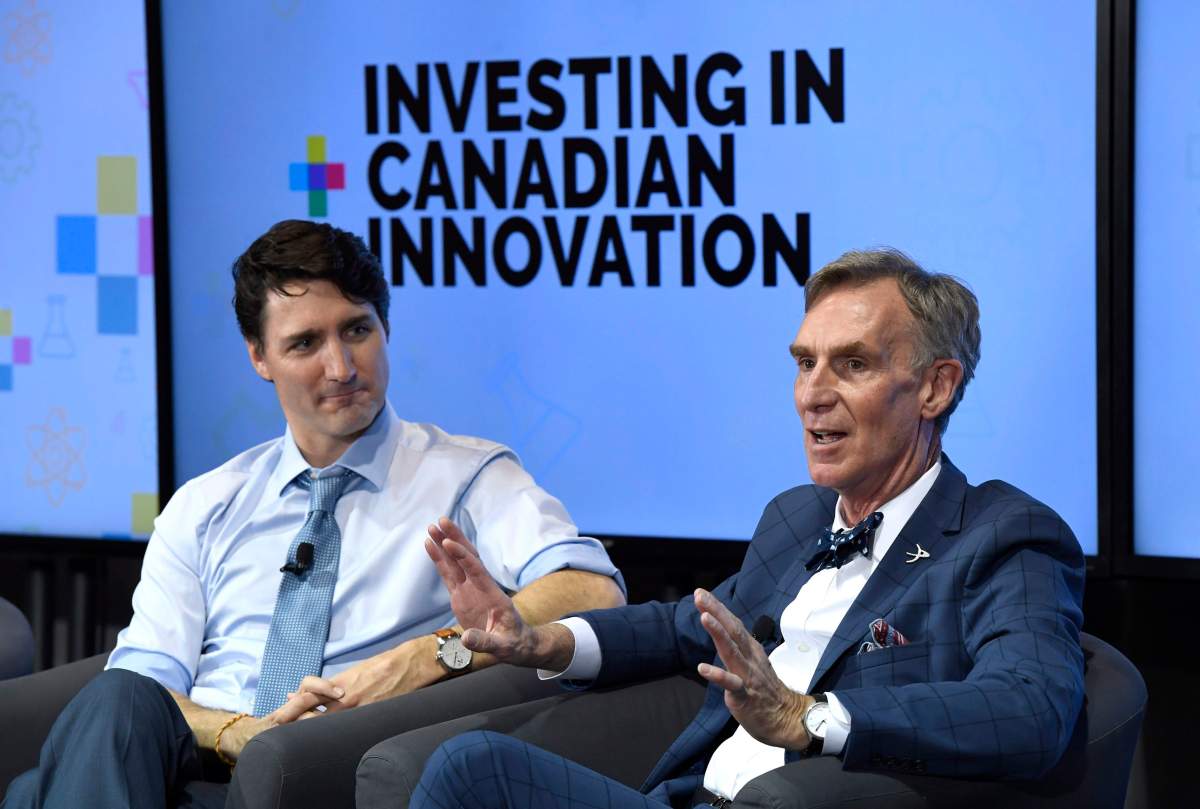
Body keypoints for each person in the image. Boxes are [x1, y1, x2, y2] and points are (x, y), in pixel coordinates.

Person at [410, 248, 1086, 809]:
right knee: (460, 764)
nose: (812, 393)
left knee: (479, 770)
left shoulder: (1004, 534)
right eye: (804, 361)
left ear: (936, 387)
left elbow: (1031, 706)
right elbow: (685, 625)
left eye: (852, 364)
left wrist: (809, 715)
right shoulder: (796, 516)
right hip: (687, 795)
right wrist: (541, 640)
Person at [2, 220, 625, 809]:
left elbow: (595, 592)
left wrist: (430, 656)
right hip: (195, 763)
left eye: (357, 330)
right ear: (259, 357)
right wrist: (237, 733)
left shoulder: (467, 477)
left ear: (386, 327)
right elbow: (145, 685)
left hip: (333, 762)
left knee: (36, 793)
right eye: (305, 343)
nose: (342, 368)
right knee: (113, 703)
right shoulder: (206, 504)